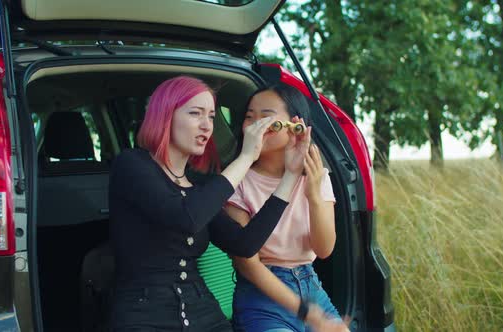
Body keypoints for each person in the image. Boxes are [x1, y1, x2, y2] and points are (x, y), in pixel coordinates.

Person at [108, 76, 311, 331]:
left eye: (212, 117)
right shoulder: (132, 165)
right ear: (165, 115)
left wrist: (290, 177)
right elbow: (186, 218)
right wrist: (247, 157)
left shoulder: (197, 184)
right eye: (196, 113)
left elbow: (245, 244)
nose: (207, 126)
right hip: (144, 313)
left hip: (202, 311)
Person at [226, 84, 350, 332]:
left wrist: (314, 195)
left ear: (296, 126)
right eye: (249, 117)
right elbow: (247, 263)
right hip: (262, 294)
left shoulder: (316, 176)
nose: (256, 125)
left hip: (310, 285)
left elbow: (324, 249)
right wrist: (307, 313)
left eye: (266, 117)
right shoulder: (236, 181)